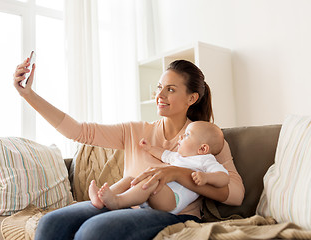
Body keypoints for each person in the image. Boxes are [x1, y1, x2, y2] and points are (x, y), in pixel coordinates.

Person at [13, 58, 244, 240]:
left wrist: (177, 173)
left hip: (173, 215)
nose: (159, 95)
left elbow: (235, 194)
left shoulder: (204, 139)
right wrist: (28, 94)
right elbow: (78, 131)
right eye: (159, 87)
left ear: (191, 98)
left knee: (95, 232)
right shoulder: (135, 131)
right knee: (51, 223)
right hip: (122, 202)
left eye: (171, 90)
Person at [89, 121, 229, 215]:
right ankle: (101, 200)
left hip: (173, 200)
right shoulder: (178, 157)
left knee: (153, 181)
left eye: (187, 135)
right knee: (130, 179)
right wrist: (149, 148)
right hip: (157, 193)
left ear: (203, 148)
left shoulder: (205, 160)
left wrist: (207, 177)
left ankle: (117, 201)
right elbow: (163, 154)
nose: (181, 137)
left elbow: (224, 177)